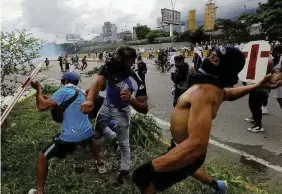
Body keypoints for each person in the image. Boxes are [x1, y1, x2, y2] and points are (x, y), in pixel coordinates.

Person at [132, 47, 281, 194]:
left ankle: (215, 186)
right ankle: (218, 186)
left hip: (188, 153)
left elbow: (197, 145)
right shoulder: (214, 88)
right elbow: (228, 93)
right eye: (211, 54)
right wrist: (256, 86)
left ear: (222, 67)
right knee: (189, 169)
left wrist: (153, 166)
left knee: (143, 178)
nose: (208, 58)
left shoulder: (204, 92)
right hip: (181, 147)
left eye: (215, 58)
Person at [29, 72, 106, 194]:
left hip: (71, 135)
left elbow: (42, 107)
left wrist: (38, 89)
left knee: (43, 156)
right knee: (90, 139)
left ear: (64, 81)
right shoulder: (80, 92)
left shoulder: (63, 91)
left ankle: (39, 191)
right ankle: (100, 163)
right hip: (87, 131)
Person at [81, 46, 148, 185]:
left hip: (122, 111)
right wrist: (89, 99)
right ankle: (112, 137)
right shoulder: (109, 67)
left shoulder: (135, 80)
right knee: (98, 125)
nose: (114, 63)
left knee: (124, 143)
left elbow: (144, 109)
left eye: (119, 60)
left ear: (130, 61)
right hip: (107, 104)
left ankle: (125, 170)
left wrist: (131, 99)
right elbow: (97, 83)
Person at [245, 57, 275, 132]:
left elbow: (266, 85)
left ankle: (258, 126)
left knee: (255, 107)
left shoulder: (268, 74)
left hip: (260, 91)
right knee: (252, 105)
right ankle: (254, 119)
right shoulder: (263, 71)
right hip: (256, 90)